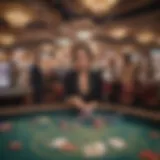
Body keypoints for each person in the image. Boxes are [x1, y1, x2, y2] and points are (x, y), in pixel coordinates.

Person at [64, 43, 102, 114]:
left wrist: (92, 105)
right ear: (74, 60)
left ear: (89, 59)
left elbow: (100, 98)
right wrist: (73, 100)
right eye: (78, 58)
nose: (81, 61)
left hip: (94, 114)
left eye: (84, 57)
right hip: (72, 114)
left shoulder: (96, 77)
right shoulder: (69, 77)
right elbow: (66, 97)